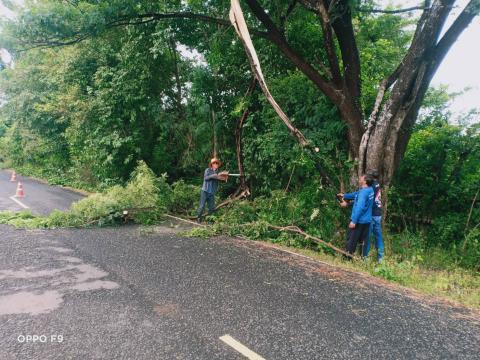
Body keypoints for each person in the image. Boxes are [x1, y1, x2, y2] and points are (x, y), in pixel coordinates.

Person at [339, 174, 374, 256]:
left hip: (359, 221)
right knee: (361, 242)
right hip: (367, 221)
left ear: (365, 181)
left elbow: (360, 207)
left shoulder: (363, 193)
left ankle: (347, 258)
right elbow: (356, 194)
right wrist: (344, 195)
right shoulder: (370, 190)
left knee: (351, 240)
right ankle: (361, 258)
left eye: (361, 178)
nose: (360, 178)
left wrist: (354, 221)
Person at [196, 157, 228, 223]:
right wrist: (215, 175)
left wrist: (224, 177)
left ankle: (210, 221)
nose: (215, 164)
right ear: (211, 164)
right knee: (202, 206)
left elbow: (222, 180)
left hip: (212, 193)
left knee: (211, 208)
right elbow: (206, 178)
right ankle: (199, 218)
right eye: (214, 163)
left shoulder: (218, 173)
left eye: (216, 163)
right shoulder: (207, 170)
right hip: (205, 191)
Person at [363, 169, 384, 261]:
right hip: (378, 214)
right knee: (378, 236)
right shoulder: (378, 185)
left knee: (367, 236)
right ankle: (381, 258)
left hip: (372, 214)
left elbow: (367, 198)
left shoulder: (372, 187)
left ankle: (365, 258)